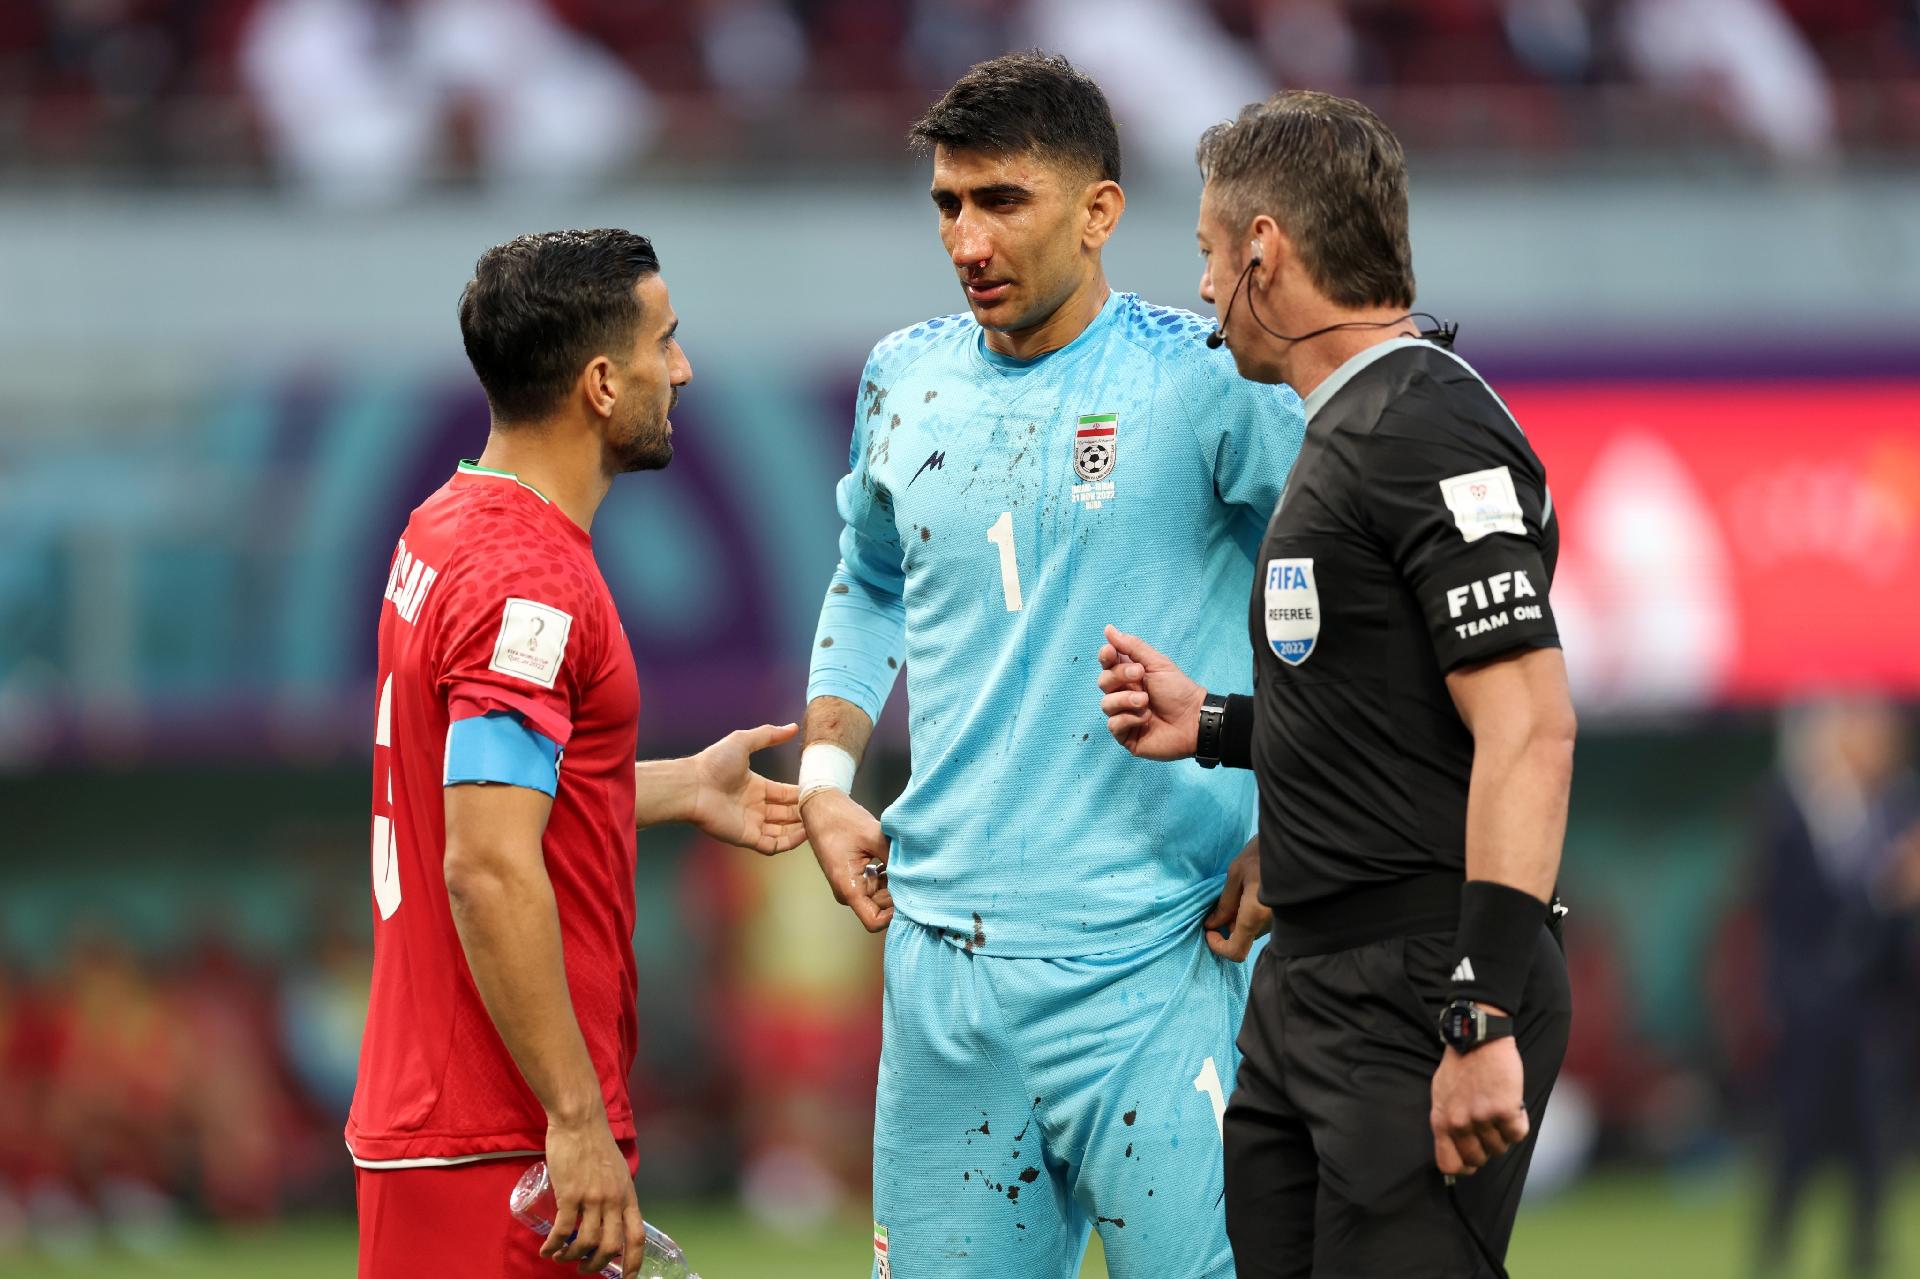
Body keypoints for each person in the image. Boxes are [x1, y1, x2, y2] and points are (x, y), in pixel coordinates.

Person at [795, 52, 1306, 1279]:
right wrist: (824, 775)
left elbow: (1345, 601)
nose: (968, 238)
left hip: (1159, 961)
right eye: (947, 204)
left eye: (1003, 200)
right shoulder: (902, 379)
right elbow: (867, 581)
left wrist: (1294, 817)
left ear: (1099, 211)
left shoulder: (1207, 381)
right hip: (944, 979)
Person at [1096, 91, 1576, 1278]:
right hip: (1308, 986)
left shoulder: (1428, 427)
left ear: (1265, 248)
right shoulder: (1341, 428)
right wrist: (1210, 724)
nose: (1204, 288)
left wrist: (1479, 1011)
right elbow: (1390, 720)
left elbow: (1529, 726)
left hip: (1418, 985)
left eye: (1210, 252)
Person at [348, 229, 805, 1279]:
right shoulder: (528, 582)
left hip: (439, 1128)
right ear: (603, 382)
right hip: (498, 1136)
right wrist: (576, 1117)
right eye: (666, 342)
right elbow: (486, 862)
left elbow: (471, 796)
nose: (682, 369)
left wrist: (681, 784)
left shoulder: (446, 524)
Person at [1752, 697, 1920, 1279]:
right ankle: (1774, 1249)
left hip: (1874, 1012)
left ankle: (1865, 1251)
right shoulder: (1792, 808)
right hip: (1809, 1012)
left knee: (1875, 1142)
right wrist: (1885, 890)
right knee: (1798, 1138)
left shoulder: (1896, 809)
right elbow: (1787, 914)